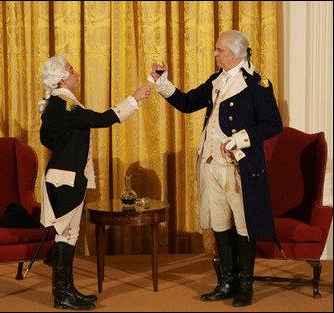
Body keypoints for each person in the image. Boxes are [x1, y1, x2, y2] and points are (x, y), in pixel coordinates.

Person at [149, 30, 283, 307]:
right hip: (211, 166)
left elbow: (273, 125)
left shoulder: (257, 85)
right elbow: (187, 103)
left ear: (234, 54)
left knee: (243, 226)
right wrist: (163, 83)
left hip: (240, 168)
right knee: (220, 223)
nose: (215, 54)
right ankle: (226, 282)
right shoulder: (216, 79)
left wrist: (239, 139)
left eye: (219, 50)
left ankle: (245, 285)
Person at [39, 55, 151, 310]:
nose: (76, 72)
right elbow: (100, 119)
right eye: (71, 69)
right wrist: (134, 99)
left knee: (68, 235)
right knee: (66, 235)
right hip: (66, 179)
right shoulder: (65, 105)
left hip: (62, 176)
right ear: (62, 78)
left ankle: (67, 290)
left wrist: (66, 148)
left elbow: (47, 138)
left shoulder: (57, 105)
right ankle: (62, 294)